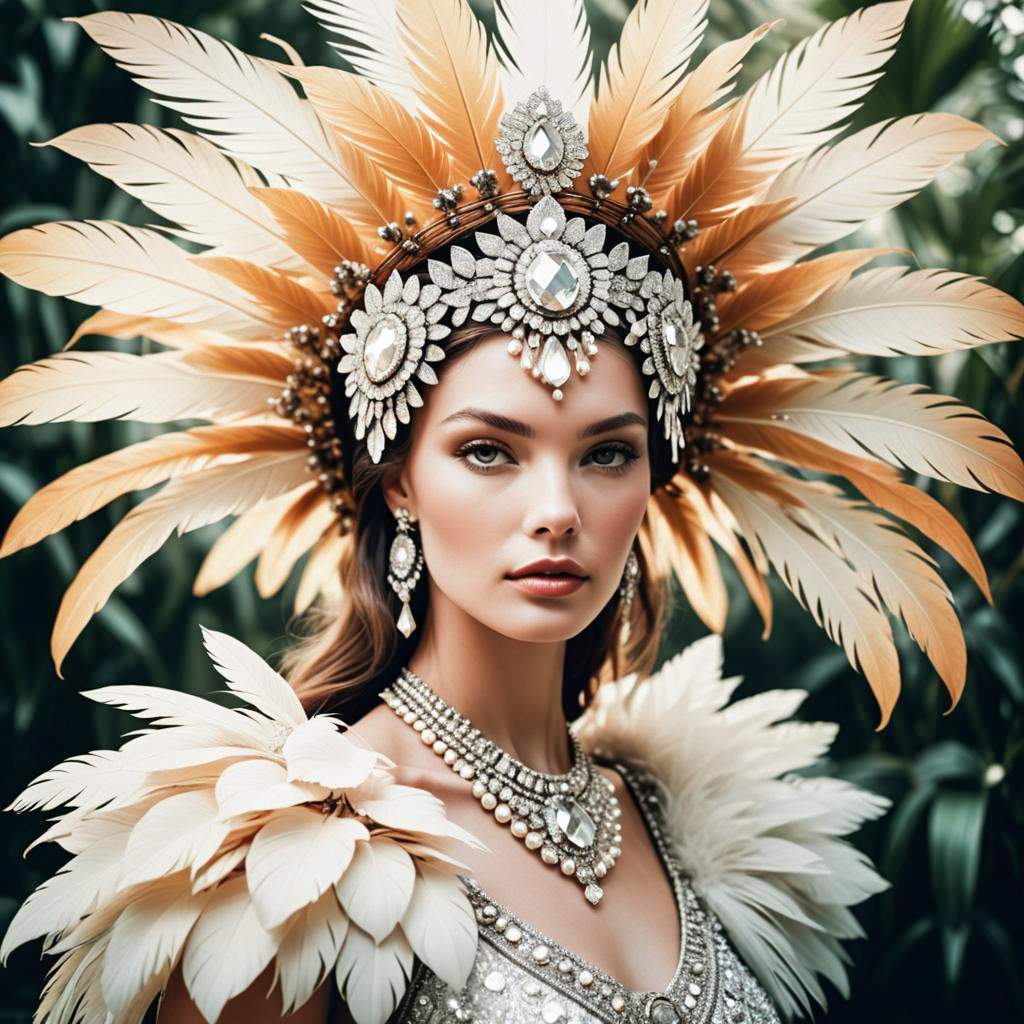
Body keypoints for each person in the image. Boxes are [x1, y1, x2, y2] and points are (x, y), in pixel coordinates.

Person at [1, 1, 1021, 1022]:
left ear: (653, 477)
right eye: (488, 450)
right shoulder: (281, 864)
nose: (556, 510)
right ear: (397, 478)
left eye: (607, 453)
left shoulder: (719, 830)